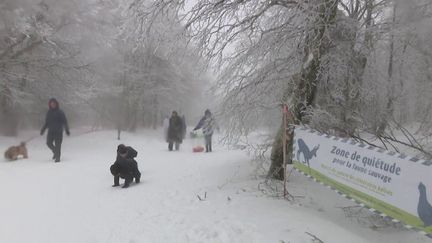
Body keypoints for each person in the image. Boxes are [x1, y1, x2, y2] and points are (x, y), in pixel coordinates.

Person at [40, 98, 70, 162]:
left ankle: (57, 157)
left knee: (58, 145)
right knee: (48, 143)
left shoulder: (60, 112)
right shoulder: (49, 112)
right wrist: (43, 129)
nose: (53, 105)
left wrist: (67, 129)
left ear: (56, 104)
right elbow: (47, 122)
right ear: (50, 105)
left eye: (54, 104)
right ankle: (55, 152)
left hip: (58, 131)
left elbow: (64, 121)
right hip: (51, 131)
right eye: (51, 104)